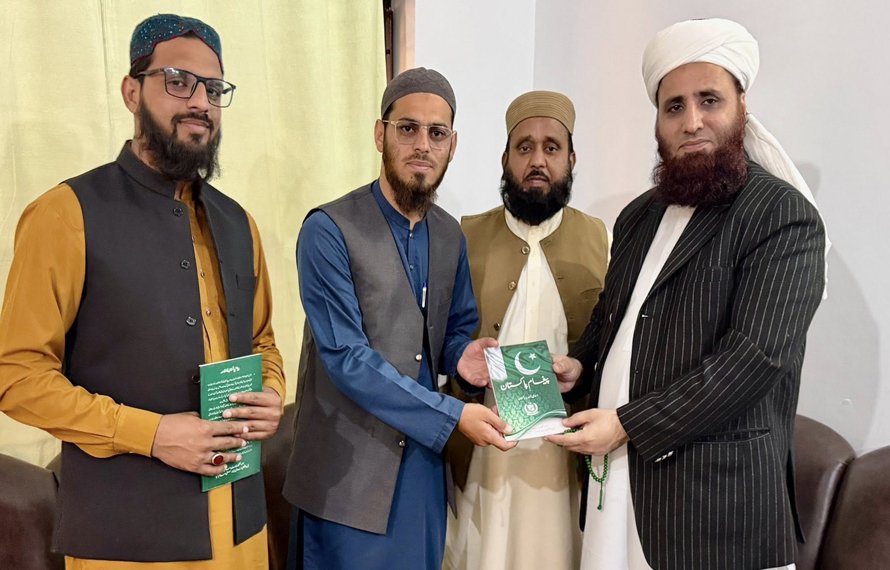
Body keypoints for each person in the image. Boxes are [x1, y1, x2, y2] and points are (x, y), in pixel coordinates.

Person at [0, 14, 285, 569]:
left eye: (213, 89)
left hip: (241, 529)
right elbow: (17, 375)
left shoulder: (238, 223)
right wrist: (151, 434)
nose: (200, 102)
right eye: (178, 81)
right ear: (132, 92)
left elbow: (262, 341)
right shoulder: (65, 214)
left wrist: (270, 393)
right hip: (126, 539)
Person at [546, 18, 828, 570]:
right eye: (674, 106)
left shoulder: (782, 215)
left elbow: (753, 359)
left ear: (741, 105)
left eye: (709, 100)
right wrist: (581, 363)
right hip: (618, 484)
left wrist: (627, 424)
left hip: (713, 507)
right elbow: (615, 316)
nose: (692, 121)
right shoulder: (639, 216)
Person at [283, 67, 515, 570]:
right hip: (344, 480)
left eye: (437, 133)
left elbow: (453, 330)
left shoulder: (450, 235)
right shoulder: (328, 230)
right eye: (407, 128)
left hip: (421, 478)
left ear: (452, 145)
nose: (422, 145)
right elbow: (346, 357)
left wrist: (463, 356)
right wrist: (452, 415)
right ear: (380, 134)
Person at [444, 91, 608, 570]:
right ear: (505, 159)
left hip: (565, 454)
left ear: (571, 159)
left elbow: (609, 343)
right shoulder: (464, 235)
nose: (537, 160)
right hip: (485, 448)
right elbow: (440, 341)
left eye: (551, 148)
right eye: (524, 147)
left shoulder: (600, 237)